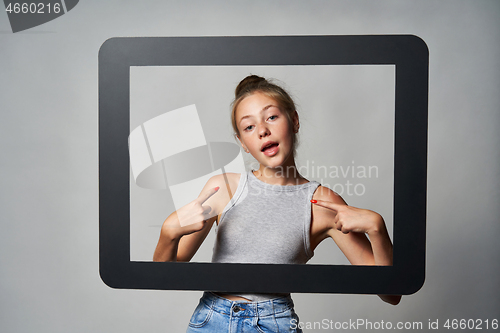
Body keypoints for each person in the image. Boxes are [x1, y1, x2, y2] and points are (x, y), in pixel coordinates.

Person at [153, 75, 401, 332]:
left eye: (271, 117)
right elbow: (162, 279)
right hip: (210, 320)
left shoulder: (322, 203)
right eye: (248, 127)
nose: (262, 130)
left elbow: (391, 295)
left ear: (294, 121)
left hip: (273, 324)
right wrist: (168, 233)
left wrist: (377, 230)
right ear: (243, 144)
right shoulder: (224, 189)